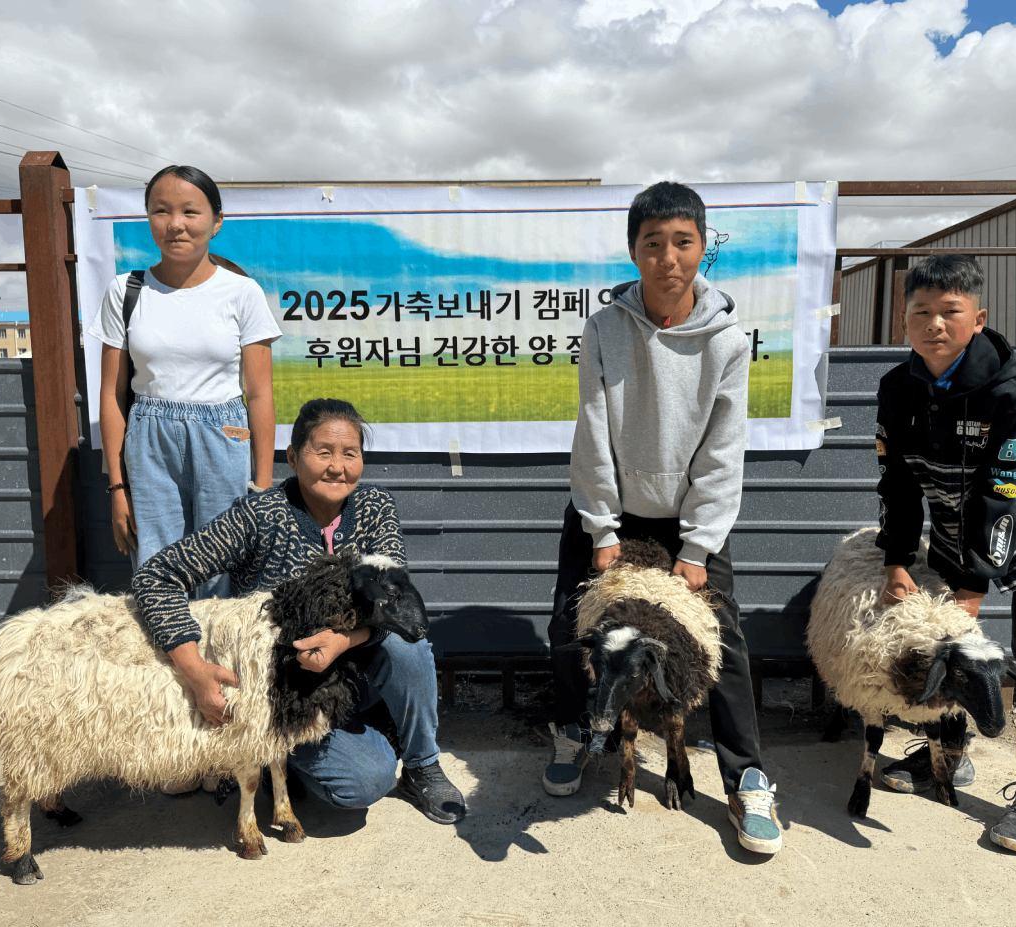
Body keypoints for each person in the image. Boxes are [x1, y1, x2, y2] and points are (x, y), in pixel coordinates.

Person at [544, 181, 782, 856]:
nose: (668, 257)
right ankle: (576, 730)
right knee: (571, 621)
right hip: (611, 508)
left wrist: (700, 544)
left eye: (683, 242)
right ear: (634, 250)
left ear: (703, 248)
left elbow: (722, 447)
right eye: (653, 244)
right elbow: (592, 429)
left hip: (687, 518)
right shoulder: (604, 327)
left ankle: (747, 776)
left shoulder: (728, 341)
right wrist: (601, 530)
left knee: (722, 638)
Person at [130, 398, 467, 824]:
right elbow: (156, 575)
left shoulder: (374, 508)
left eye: (350, 454)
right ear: (292, 457)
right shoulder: (259, 515)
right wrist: (192, 668)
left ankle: (422, 765)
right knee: (365, 783)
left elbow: (394, 599)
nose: (337, 466)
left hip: (352, 670)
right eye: (323, 452)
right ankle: (272, 760)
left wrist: (341, 640)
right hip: (286, 689)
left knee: (408, 646)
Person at [876, 254, 1016, 855]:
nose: (934, 324)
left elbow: (1005, 495)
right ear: (904, 320)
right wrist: (895, 559)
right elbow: (896, 482)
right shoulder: (896, 388)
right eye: (921, 312)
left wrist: (973, 586)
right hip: (957, 519)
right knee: (945, 643)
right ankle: (949, 752)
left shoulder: (1012, 389)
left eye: (950, 312)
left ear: (978, 317)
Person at [88, 165, 281, 594]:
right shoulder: (126, 291)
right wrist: (117, 487)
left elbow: (260, 394)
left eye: (190, 212)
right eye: (161, 211)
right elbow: (112, 396)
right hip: (149, 437)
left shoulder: (242, 292)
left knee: (222, 567)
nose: (176, 224)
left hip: (224, 434)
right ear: (148, 219)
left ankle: (215, 659)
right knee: (156, 565)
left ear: (216, 222)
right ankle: (166, 660)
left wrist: (264, 488)